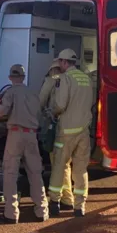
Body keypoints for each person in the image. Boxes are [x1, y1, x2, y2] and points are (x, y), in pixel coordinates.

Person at [0, 64, 49, 223]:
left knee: (10, 174)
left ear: (11, 77)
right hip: (32, 136)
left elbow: (1, 112)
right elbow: (40, 114)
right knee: (35, 173)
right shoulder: (33, 93)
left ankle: (11, 214)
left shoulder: (11, 92)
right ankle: (42, 211)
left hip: (16, 135)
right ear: (24, 77)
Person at [47, 49, 95, 218]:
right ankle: (79, 206)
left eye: (60, 62)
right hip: (83, 131)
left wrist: (52, 112)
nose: (59, 65)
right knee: (81, 169)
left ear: (65, 62)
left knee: (60, 166)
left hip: (66, 132)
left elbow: (60, 104)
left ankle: (55, 203)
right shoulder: (87, 79)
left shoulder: (65, 79)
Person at [39, 59, 74, 210]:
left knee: (57, 164)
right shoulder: (72, 82)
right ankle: (68, 198)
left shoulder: (51, 80)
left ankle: (57, 199)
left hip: (57, 128)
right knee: (66, 164)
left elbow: (40, 101)